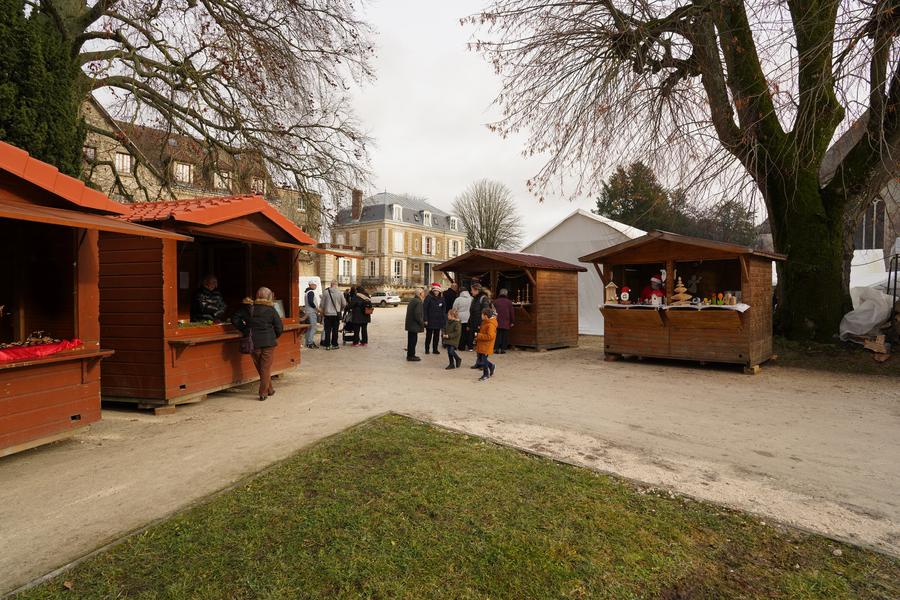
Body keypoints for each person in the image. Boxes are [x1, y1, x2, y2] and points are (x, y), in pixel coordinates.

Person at [231, 287, 284, 401]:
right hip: (268, 343)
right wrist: (273, 336)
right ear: (268, 297)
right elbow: (279, 327)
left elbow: (234, 318)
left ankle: (269, 389)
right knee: (265, 367)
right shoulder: (271, 309)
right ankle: (263, 392)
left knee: (261, 367)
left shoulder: (249, 308)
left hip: (253, 342)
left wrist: (245, 328)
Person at [319, 280, 346, 350]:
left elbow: (322, 304)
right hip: (336, 314)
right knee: (335, 330)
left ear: (331, 285)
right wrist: (340, 309)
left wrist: (324, 310)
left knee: (327, 330)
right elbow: (344, 304)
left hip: (327, 314)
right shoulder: (340, 293)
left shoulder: (325, 292)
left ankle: (327, 345)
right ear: (336, 285)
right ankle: (334, 344)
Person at [423, 283, 447, 355]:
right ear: (433, 291)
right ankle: (427, 349)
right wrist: (425, 319)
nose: (436, 292)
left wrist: (443, 318)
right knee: (429, 336)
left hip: (438, 320)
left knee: (436, 336)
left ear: (439, 291)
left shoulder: (442, 298)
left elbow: (444, 309)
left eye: (437, 291)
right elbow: (425, 309)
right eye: (435, 291)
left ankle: (435, 349)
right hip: (430, 320)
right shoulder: (428, 297)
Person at [474, 307, 498, 382]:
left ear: (486, 316)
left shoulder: (490, 324)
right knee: (482, 360)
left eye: (482, 314)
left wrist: (478, 335)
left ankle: (486, 374)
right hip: (483, 344)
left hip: (486, 345)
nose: (481, 315)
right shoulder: (485, 321)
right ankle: (491, 366)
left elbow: (490, 336)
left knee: (483, 361)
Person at [466, 283, 490, 351]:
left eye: (472, 290)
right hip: (473, 322)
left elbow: (485, 312)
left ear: (477, 290)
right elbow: (472, 312)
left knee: (480, 336)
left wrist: (481, 323)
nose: (471, 292)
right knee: (472, 335)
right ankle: (472, 347)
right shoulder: (474, 299)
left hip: (479, 322)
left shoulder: (483, 298)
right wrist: (469, 323)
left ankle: (480, 349)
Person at [405, 287, 425, 361]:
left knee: (411, 341)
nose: (424, 294)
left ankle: (410, 355)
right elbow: (418, 315)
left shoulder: (413, 300)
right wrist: (422, 323)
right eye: (423, 292)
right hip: (414, 325)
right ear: (420, 294)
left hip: (410, 325)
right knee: (413, 341)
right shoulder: (418, 302)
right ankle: (411, 356)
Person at [493, 288, 515, 353]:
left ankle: (496, 349)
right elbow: (511, 312)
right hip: (506, 321)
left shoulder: (495, 301)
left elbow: (492, 311)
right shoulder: (509, 302)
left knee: (497, 336)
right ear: (506, 294)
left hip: (497, 321)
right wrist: (512, 321)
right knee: (504, 336)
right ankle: (503, 349)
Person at [303, 282, 319, 349]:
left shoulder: (307, 292)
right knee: (313, 328)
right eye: (315, 285)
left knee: (309, 328)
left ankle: (307, 342)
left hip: (308, 312)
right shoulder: (311, 292)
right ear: (311, 285)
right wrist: (316, 308)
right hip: (311, 312)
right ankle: (310, 342)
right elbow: (311, 302)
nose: (316, 286)